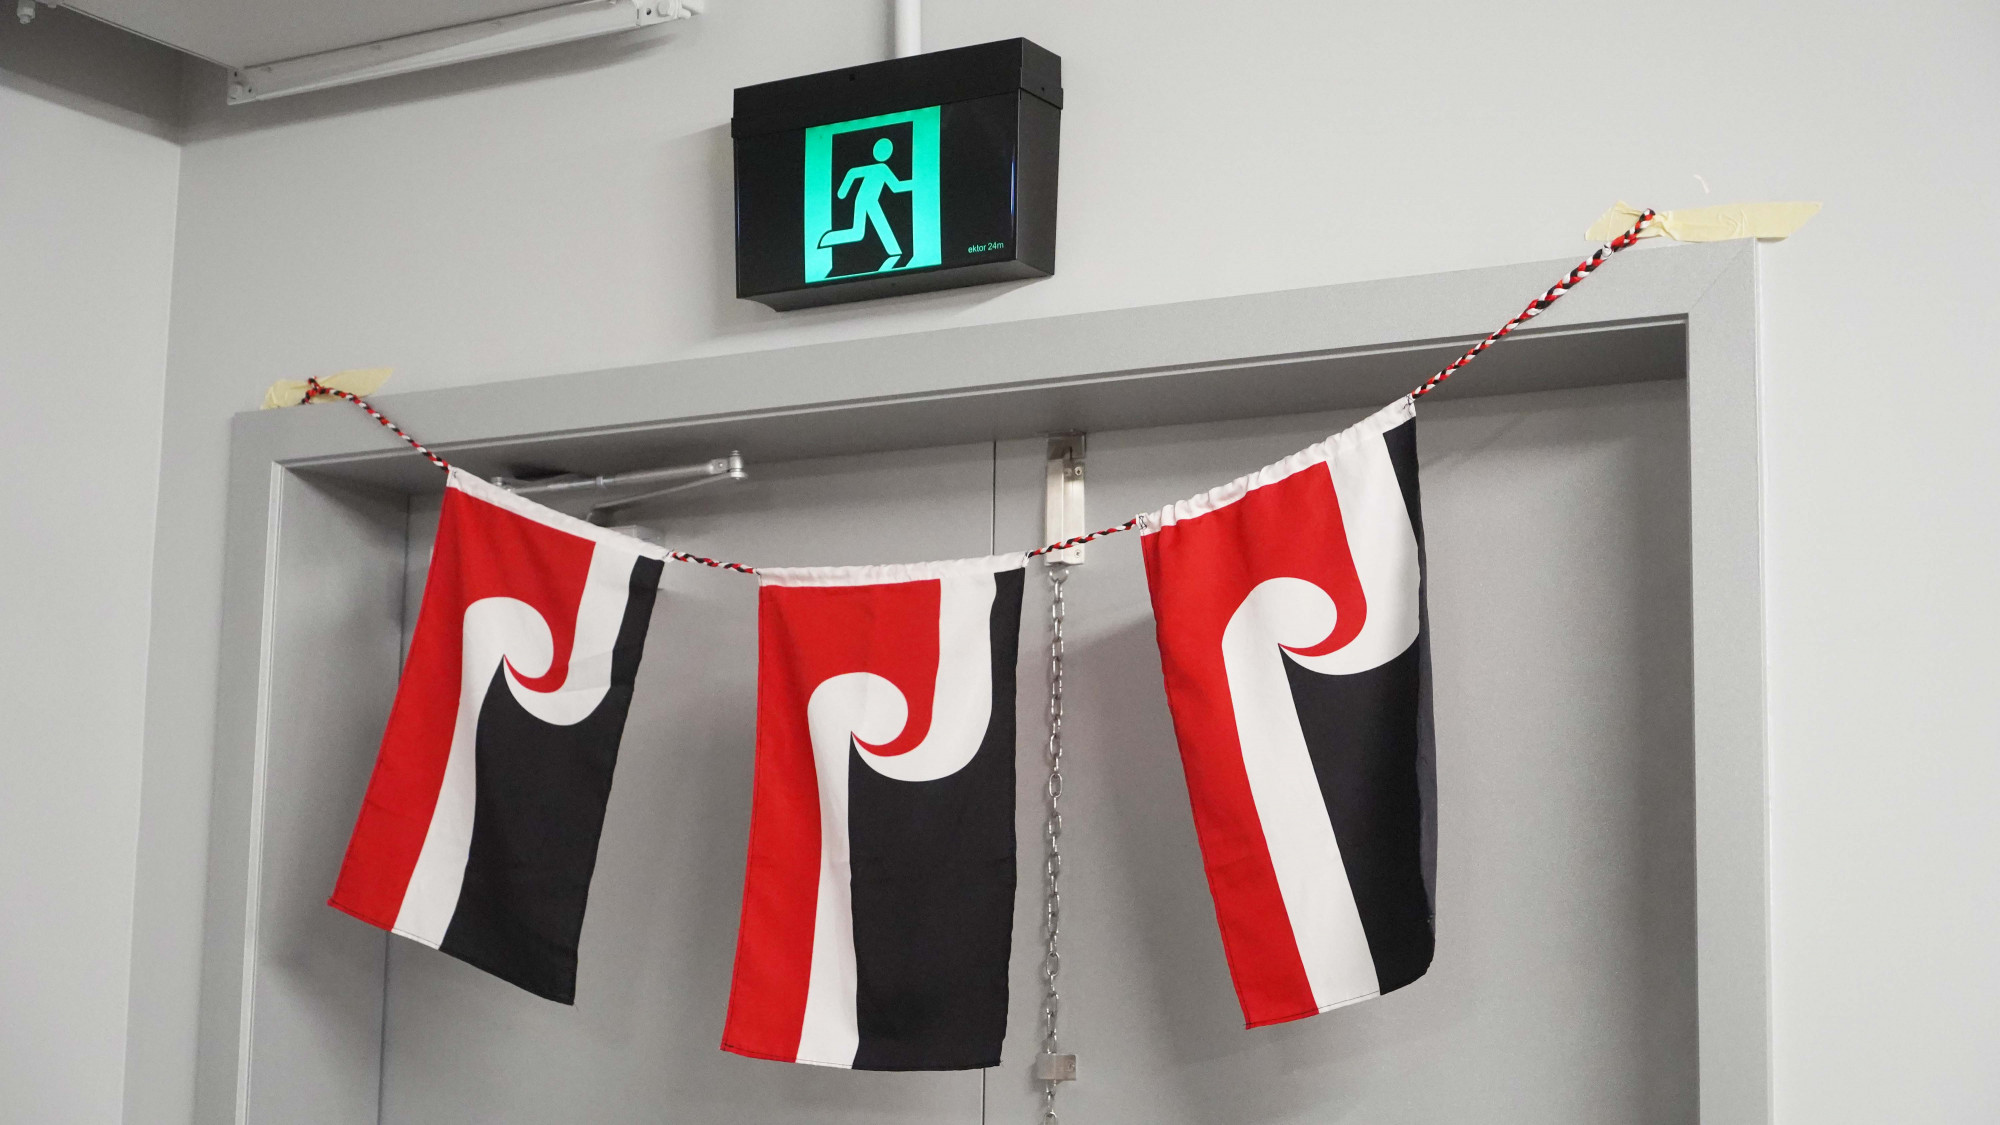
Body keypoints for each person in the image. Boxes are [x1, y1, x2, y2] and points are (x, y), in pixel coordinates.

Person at [817, 136, 913, 271]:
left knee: (858, 232)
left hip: (869, 201)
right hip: (865, 201)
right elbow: (853, 173)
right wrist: (842, 191)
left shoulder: (882, 168)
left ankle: (895, 251)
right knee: (858, 232)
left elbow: (895, 186)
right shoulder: (881, 168)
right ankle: (827, 240)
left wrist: (914, 184)